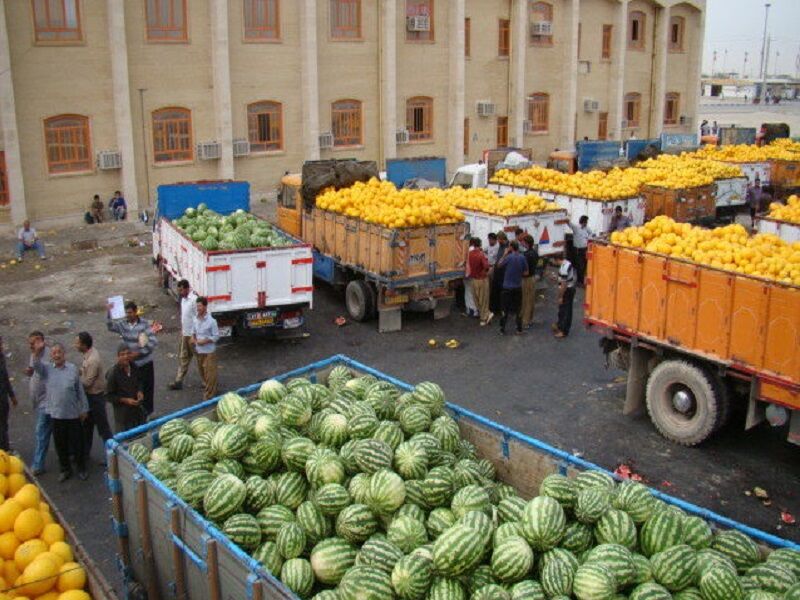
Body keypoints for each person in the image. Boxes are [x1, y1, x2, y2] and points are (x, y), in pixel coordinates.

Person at [30, 340, 89, 482]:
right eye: (54, 353)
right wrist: (37, 351)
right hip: (56, 415)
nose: (57, 355)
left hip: (73, 414)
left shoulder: (72, 369)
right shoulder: (47, 370)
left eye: (59, 352)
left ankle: (81, 468)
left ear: (64, 354)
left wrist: (84, 408)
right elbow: (36, 364)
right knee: (60, 445)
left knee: (77, 444)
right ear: (51, 356)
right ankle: (65, 469)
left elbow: (79, 391)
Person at [107, 301, 157, 416]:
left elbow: (153, 342)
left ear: (136, 312)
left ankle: (149, 415)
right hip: (132, 366)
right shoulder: (123, 324)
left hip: (145, 363)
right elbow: (110, 326)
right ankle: (138, 416)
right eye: (126, 313)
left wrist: (139, 353)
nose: (128, 315)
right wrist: (109, 312)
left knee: (148, 390)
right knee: (134, 391)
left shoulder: (144, 324)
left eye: (130, 313)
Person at [75, 332, 112, 462]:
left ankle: (112, 456)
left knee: (103, 428)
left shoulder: (92, 360)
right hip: (91, 397)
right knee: (87, 426)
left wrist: (75, 380)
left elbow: (87, 383)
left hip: (95, 397)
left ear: (84, 345)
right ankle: (85, 453)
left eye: (78, 343)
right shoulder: (89, 354)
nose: (75, 345)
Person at [26, 331, 51, 475]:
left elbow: (42, 370)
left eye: (32, 343)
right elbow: (33, 367)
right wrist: (30, 371)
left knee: (41, 432)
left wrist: (36, 354)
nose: (30, 346)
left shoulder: (47, 355)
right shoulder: (35, 353)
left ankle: (38, 464)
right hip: (39, 400)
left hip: (46, 403)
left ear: (40, 341)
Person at [105, 345, 145, 434]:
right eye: (122, 354)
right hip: (123, 417)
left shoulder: (134, 366)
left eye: (128, 353)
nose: (126, 357)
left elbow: (140, 380)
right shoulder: (113, 374)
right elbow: (108, 396)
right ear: (118, 357)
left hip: (137, 412)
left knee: (139, 437)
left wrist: (140, 391)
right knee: (126, 441)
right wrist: (125, 400)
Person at [168, 280, 197, 390]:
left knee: (200, 359)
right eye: (178, 290)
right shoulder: (183, 300)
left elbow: (196, 318)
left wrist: (195, 335)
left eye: (181, 290)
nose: (180, 292)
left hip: (193, 335)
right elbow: (184, 316)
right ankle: (178, 380)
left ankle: (206, 381)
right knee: (183, 357)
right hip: (185, 334)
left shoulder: (193, 300)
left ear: (187, 288)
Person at [497, 241, 528, 335]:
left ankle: (502, 328)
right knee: (518, 308)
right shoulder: (522, 257)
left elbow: (499, 265)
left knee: (504, 308)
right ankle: (519, 328)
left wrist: (504, 254)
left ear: (511, 247)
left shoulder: (508, 257)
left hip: (507, 287)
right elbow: (526, 272)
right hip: (517, 286)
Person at [192, 297, 219, 400]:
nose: (198, 308)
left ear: (205, 306)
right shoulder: (195, 319)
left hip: (209, 352)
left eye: (199, 306)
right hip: (199, 351)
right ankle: (212, 389)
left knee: (210, 374)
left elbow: (216, 337)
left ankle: (208, 396)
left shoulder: (212, 321)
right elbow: (193, 333)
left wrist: (205, 341)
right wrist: (194, 340)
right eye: (197, 306)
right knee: (203, 373)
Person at [467, 237, 492, 326]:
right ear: (480, 244)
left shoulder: (469, 254)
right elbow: (486, 267)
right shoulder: (481, 254)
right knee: (484, 300)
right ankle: (484, 317)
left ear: (473, 244)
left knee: (476, 299)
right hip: (482, 279)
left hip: (473, 280)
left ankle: (485, 315)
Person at [553, 256, 578, 338]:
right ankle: (560, 325)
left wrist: (560, 297)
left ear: (556, 259)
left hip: (567, 291)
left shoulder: (564, 267)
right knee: (563, 309)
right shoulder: (567, 263)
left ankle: (563, 331)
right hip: (570, 288)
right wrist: (557, 278)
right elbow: (565, 278)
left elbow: (564, 285)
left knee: (565, 311)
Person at [0, 336, 17, 451]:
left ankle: (5, 448)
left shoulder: (1, 357)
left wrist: (12, 395)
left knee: (3, 425)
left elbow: (5, 377)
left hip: (2, 399)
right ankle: (4, 449)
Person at [520, 235, 539, 330]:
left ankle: (525, 320)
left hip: (526, 279)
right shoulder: (535, 253)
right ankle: (529, 319)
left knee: (526, 300)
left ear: (526, 243)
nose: (521, 243)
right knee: (531, 300)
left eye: (523, 241)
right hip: (532, 278)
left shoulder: (525, 255)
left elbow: (524, 269)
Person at [568, 215, 593, 286]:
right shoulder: (576, 227)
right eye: (586, 222)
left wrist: (588, 238)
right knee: (580, 266)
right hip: (577, 250)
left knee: (584, 265)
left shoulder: (586, 228)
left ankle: (580, 280)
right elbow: (569, 223)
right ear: (583, 222)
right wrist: (566, 216)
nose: (587, 223)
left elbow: (591, 233)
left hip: (584, 249)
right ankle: (580, 281)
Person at [490, 232, 509, 314]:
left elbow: (505, 260)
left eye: (498, 239)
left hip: (503, 273)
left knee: (501, 292)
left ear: (502, 239)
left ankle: (501, 309)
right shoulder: (501, 246)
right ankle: (495, 309)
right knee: (495, 291)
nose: (497, 241)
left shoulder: (507, 247)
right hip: (498, 272)